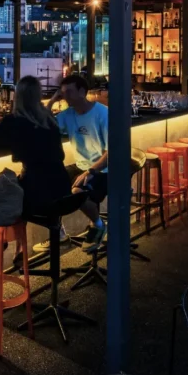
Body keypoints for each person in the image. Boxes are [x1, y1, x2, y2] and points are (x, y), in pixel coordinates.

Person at [0, 75, 72, 218]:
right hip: (63, 187)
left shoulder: (13, 121)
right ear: (39, 94)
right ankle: (56, 227)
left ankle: (5, 239)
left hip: (38, 193)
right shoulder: (49, 119)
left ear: (17, 96)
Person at [41, 73, 111, 253]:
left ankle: (98, 224)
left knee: (77, 192)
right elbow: (45, 126)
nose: (65, 97)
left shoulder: (103, 114)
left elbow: (111, 153)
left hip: (104, 170)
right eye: (62, 93)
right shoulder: (68, 114)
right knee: (47, 184)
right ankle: (60, 234)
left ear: (82, 91)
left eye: (69, 92)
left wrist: (90, 172)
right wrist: (51, 101)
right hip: (81, 165)